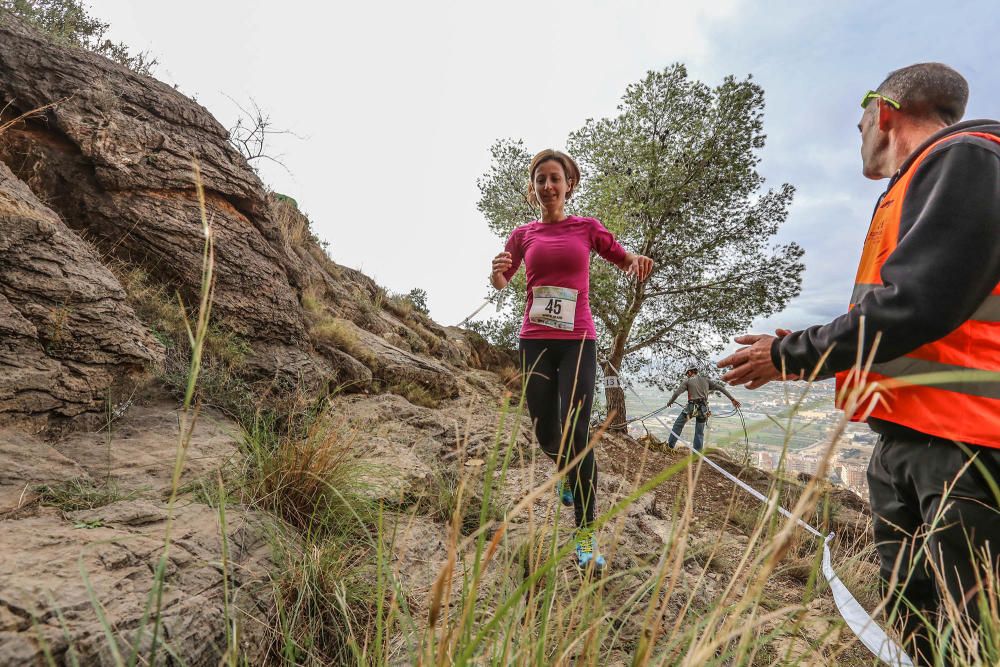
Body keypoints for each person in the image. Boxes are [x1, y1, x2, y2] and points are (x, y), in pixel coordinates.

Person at [717, 63, 1000, 664]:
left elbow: (918, 303)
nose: (859, 132)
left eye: (859, 121)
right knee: (920, 626)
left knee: (971, 638)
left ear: (884, 111)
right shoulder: (918, 182)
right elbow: (900, 311)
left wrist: (790, 355)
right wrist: (803, 344)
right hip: (911, 440)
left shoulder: (968, 159)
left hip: (965, 447)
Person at [490, 149, 653, 570]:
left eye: (554, 178)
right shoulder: (522, 234)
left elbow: (621, 256)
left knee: (576, 429)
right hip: (535, 340)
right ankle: (566, 472)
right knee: (545, 429)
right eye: (540, 179)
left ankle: (585, 533)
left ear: (569, 184)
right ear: (534, 186)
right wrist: (496, 271)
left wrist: (634, 260)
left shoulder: (586, 229)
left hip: (579, 340)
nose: (548, 186)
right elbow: (502, 281)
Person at [665, 365, 741, 452]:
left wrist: (670, 402)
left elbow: (676, 393)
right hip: (703, 409)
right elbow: (720, 388)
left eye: (687, 374)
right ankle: (697, 453)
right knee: (699, 432)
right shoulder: (706, 380)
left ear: (690, 372)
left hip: (691, 408)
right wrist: (732, 399)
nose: (687, 375)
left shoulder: (688, 381)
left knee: (678, 425)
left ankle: (670, 447)